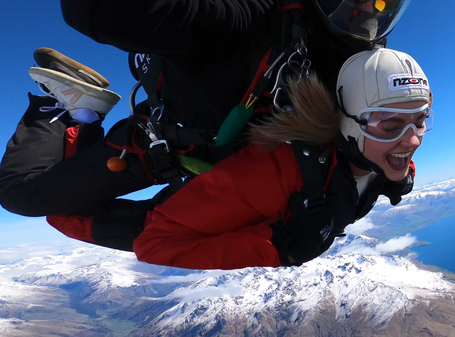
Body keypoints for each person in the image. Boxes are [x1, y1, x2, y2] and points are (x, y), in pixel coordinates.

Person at [0, 0, 419, 223]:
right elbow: (116, 9)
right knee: (21, 194)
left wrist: (393, 173)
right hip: (161, 146)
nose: (365, 9)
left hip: (219, 155)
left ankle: (84, 113)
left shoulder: (366, 68)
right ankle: (57, 105)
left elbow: (382, 126)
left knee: (72, 200)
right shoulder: (256, 14)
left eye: (385, 4)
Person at [31, 48, 433, 269]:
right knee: (43, 205)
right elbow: (154, 243)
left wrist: (396, 171)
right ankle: (73, 112)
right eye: (388, 124)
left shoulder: (379, 161)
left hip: (221, 214)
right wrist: (277, 248)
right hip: (174, 222)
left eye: (421, 120)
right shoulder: (276, 176)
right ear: (346, 122)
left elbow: (388, 155)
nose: (412, 139)